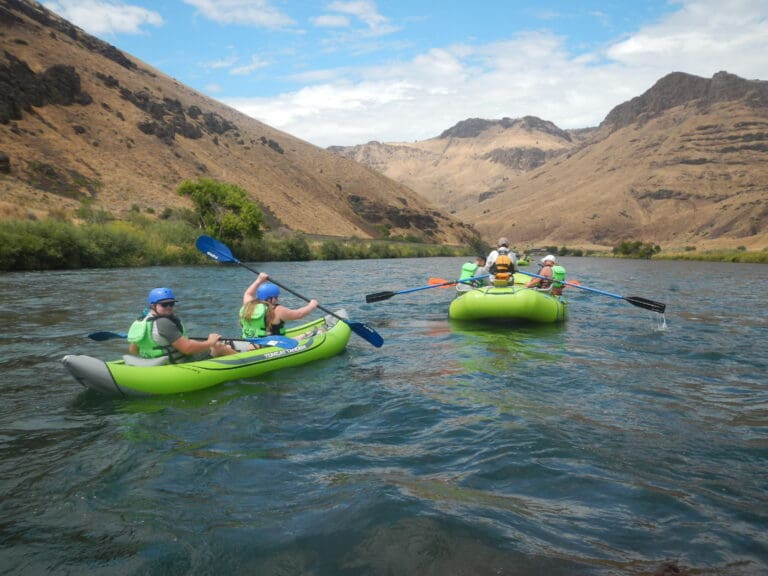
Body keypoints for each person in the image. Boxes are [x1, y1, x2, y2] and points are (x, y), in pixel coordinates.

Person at [127, 287, 234, 363]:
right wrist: (210, 342)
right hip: (175, 363)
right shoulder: (164, 323)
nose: (169, 307)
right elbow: (187, 349)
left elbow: (133, 350)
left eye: (171, 303)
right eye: (164, 304)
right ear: (153, 305)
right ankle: (245, 360)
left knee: (199, 343)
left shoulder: (141, 322)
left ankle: (228, 350)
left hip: (152, 362)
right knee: (218, 346)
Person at [240, 273, 318, 339]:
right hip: (270, 346)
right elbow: (299, 314)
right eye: (276, 297)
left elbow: (248, 293)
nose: (277, 299)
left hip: (250, 342)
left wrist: (259, 280)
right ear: (269, 299)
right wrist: (311, 305)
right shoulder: (276, 310)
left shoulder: (248, 305)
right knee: (308, 335)